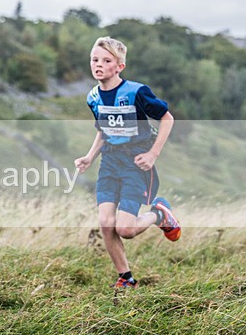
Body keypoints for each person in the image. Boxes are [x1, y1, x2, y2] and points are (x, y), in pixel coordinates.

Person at [75, 36, 181, 290]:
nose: (98, 64)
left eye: (106, 60)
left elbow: (167, 119)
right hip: (109, 162)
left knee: (125, 229)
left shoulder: (136, 92)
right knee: (105, 222)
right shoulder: (93, 97)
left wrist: (153, 154)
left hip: (135, 163)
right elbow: (103, 129)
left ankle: (158, 214)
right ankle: (126, 278)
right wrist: (90, 156)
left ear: (119, 66)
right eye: (95, 59)